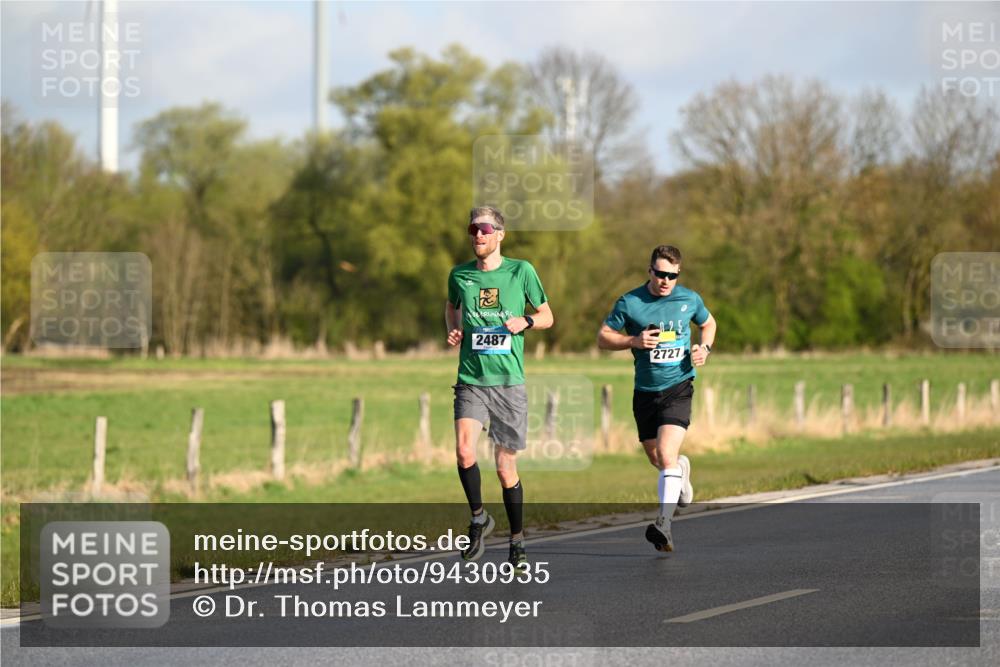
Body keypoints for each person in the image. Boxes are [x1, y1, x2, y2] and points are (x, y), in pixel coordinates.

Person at [446, 206, 554, 571]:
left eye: (485, 229)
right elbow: (451, 306)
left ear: (500, 235)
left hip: (509, 383)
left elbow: (547, 316)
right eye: (473, 229)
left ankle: (517, 542)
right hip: (471, 379)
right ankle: (478, 519)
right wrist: (455, 328)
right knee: (464, 451)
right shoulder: (459, 275)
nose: (478, 235)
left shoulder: (521, 271)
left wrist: (525, 320)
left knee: (505, 468)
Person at [596, 245, 717, 552]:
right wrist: (633, 340)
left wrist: (704, 349)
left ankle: (664, 524)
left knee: (665, 453)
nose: (665, 281)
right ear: (649, 271)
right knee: (659, 459)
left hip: (678, 386)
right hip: (645, 392)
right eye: (660, 274)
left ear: (678, 274)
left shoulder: (689, 299)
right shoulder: (631, 302)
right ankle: (682, 470)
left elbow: (708, 323)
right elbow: (603, 337)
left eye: (672, 275)